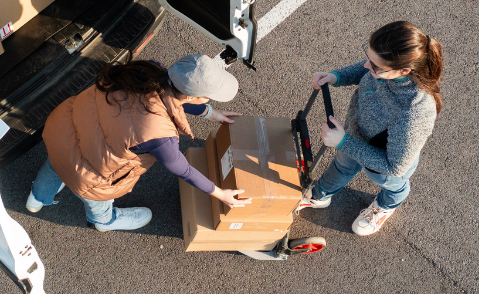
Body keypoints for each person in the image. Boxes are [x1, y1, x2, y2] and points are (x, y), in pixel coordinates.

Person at [26, 55, 251, 231]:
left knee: (57, 163)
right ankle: (104, 222)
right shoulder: (159, 136)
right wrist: (221, 194)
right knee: (98, 199)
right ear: (192, 97)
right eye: (207, 98)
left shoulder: (148, 70)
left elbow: (172, 96)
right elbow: (182, 169)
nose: (207, 100)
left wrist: (208, 112)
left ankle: (37, 198)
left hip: (62, 132)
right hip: (86, 173)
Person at [299, 21, 443, 236]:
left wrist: (343, 142)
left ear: (404, 70)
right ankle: (319, 196)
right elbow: (364, 69)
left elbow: (395, 168)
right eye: (369, 57)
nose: (367, 66)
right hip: (357, 135)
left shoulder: (414, 112)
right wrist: (336, 76)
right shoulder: (386, 67)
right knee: (340, 166)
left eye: (375, 66)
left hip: (384, 162)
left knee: (394, 185)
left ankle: (386, 206)